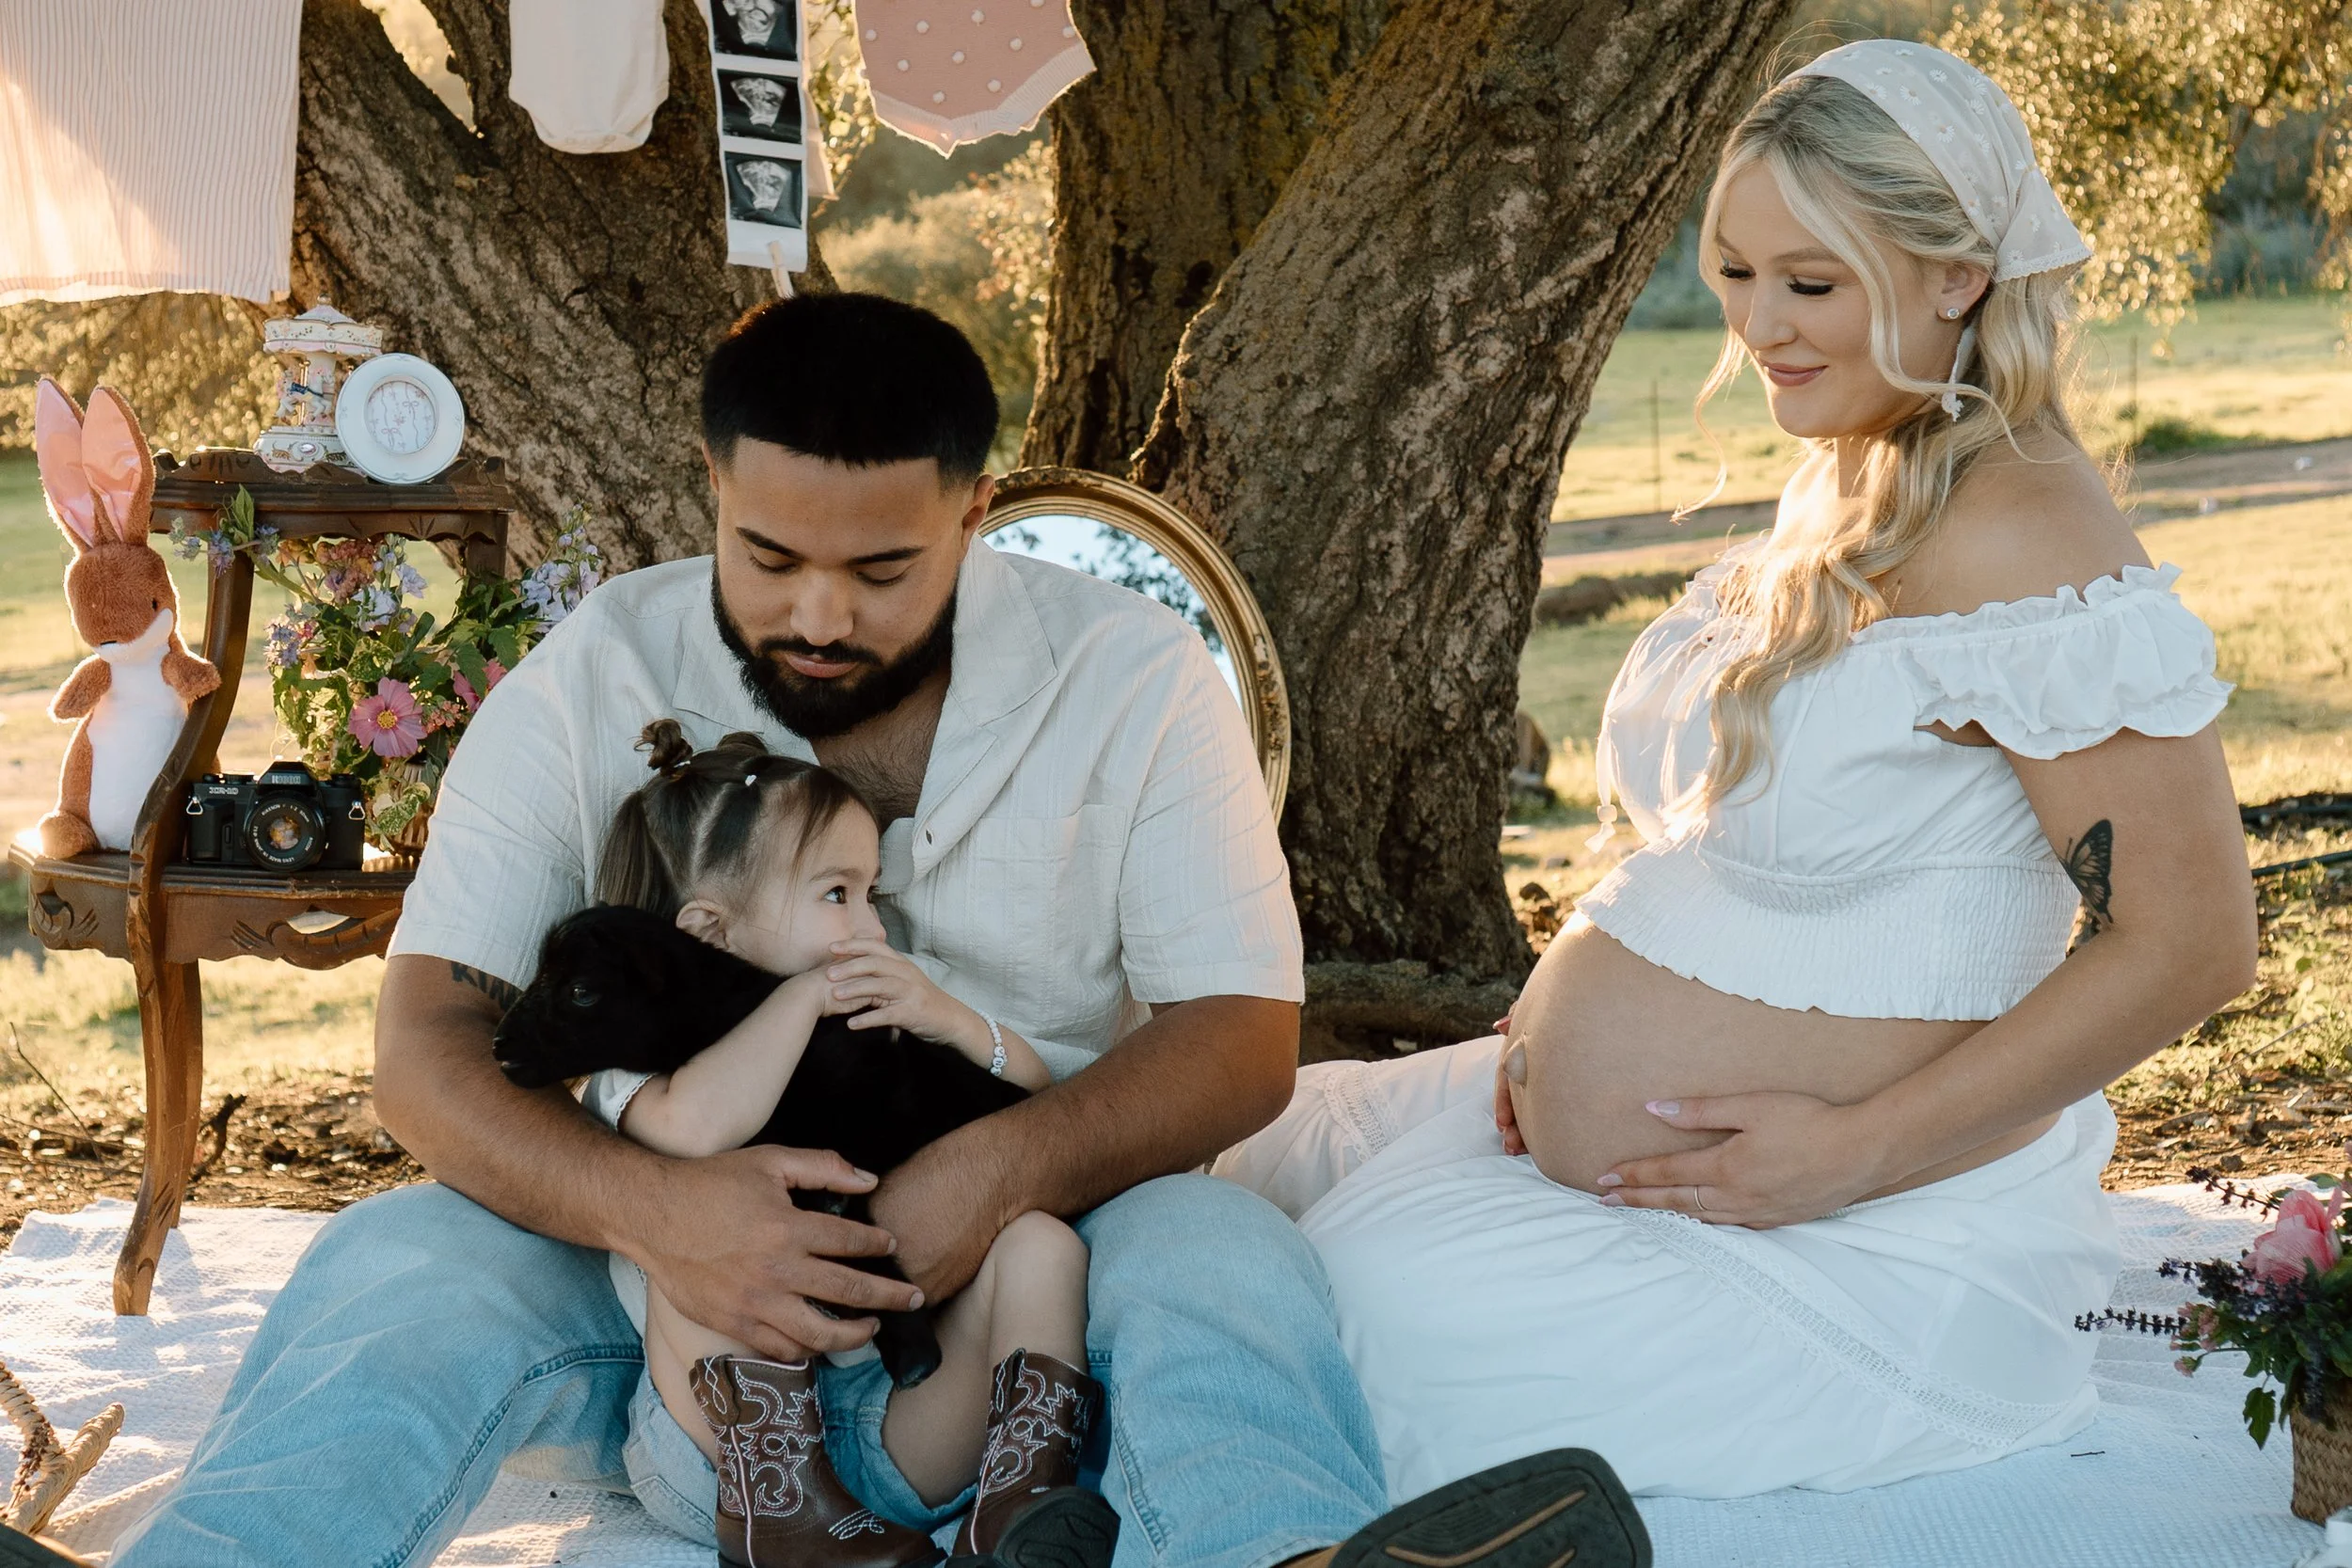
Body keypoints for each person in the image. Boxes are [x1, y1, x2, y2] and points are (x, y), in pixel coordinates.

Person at [111, 293, 1641, 1568]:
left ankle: (1290, 1556)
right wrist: (657, 1211)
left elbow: (1239, 1037)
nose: (819, 614)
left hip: (1045, 1236)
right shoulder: (598, 671)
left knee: (1222, 1247)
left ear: (976, 513)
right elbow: (428, 1045)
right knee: (403, 1257)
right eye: (769, 558)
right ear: (715, 491)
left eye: (882, 568)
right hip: (667, 1287)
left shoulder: (1132, 676)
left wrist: (1000, 1166)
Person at [1216, 40, 2257, 1503]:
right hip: (1650, 1152)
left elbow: (2194, 941)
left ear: (1958, 275)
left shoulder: (2030, 540)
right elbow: (1743, 835)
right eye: (1733, 274)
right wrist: (1559, 1028)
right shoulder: (1858, 464)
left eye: (1809, 284)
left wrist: (1851, 1152)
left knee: (1351, 1305)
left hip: (1854, 1227)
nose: (1759, 326)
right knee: (1239, 1169)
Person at [581, 720, 1101, 1568]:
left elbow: (1032, 1105)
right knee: (717, 1227)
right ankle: (780, 1520)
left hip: (897, 1422)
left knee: (1041, 1241)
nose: (872, 928)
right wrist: (798, 999)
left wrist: (950, 1018)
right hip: (722, 1463)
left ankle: (1018, 1504)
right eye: (837, 895)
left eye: (872, 896)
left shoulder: (868, 1028)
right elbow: (701, 1128)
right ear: (709, 931)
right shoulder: (645, 1065)